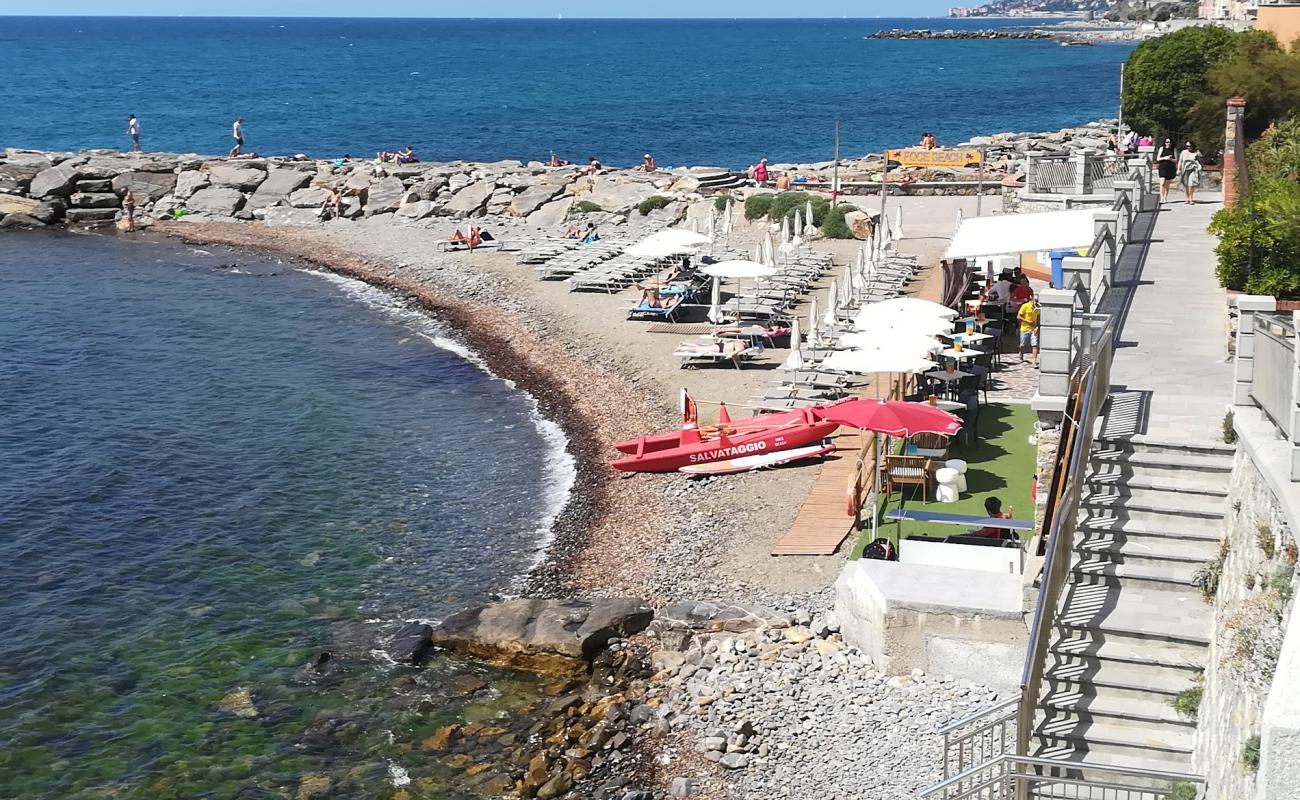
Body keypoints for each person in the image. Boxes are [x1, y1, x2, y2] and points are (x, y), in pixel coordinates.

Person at [1017, 291, 1040, 365]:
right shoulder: (1025, 306)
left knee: (1034, 345)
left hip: (1033, 329)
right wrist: (1027, 321)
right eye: (1035, 300)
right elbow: (1018, 316)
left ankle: (1034, 361)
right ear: (1031, 299)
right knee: (1022, 345)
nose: (1036, 302)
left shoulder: (1038, 307)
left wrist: (1037, 327)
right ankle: (1021, 353)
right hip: (1024, 328)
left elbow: (1039, 318)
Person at [1179, 141, 1202, 206]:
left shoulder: (1196, 152)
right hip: (1185, 169)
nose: (1188, 147)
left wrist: (1199, 157)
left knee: (1191, 184)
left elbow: (1200, 160)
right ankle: (1187, 198)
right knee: (1186, 184)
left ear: (1192, 146)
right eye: (1187, 146)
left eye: (1190, 146)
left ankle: (1191, 199)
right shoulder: (1183, 152)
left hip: (1193, 169)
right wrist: (1178, 169)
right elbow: (1180, 161)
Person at [1155, 137, 1177, 204]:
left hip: (1170, 167)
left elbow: (1176, 160)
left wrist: (1170, 159)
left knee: (1167, 183)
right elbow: (1158, 158)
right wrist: (1165, 158)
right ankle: (1161, 198)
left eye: (1169, 142)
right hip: (1162, 167)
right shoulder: (1162, 148)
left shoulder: (1174, 149)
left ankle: (1165, 198)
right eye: (1167, 142)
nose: (1168, 143)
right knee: (1162, 183)